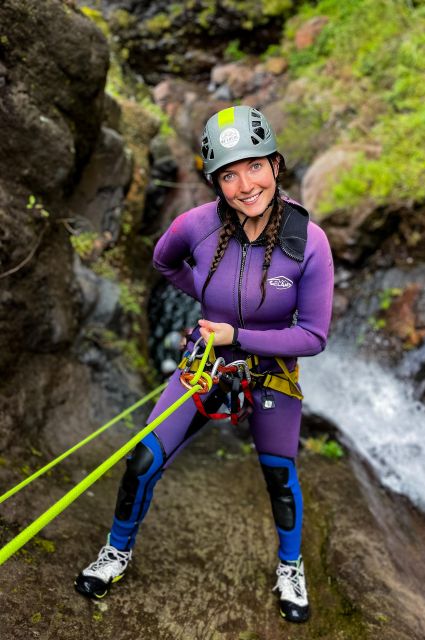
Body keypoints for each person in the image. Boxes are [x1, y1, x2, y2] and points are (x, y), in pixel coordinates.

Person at [75, 105, 334, 623]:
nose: (245, 184)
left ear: (276, 165)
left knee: (280, 476)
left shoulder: (308, 242)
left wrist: (236, 332)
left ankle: (290, 566)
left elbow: (313, 335)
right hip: (205, 364)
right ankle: (117, 551)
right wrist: (206, 300)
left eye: (254, 166)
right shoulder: (195, 226)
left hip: (270, 373)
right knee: (143, 459)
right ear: (215, 182)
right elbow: (163, 262)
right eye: (229, 174)